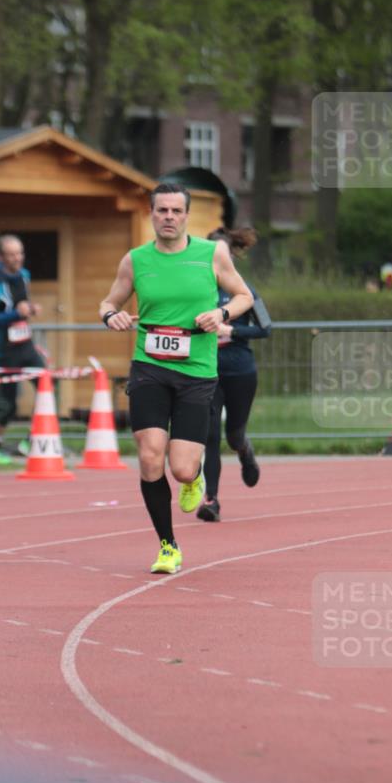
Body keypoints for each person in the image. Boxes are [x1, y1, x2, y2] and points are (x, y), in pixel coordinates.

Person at [99, 182, 253, 574]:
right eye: (162, 210)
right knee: (150, 456)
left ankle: (193, 477)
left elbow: (244, 296)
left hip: (196, 372)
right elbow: (109, 301)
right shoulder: (135, 260)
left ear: (186, 215)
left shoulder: (211, 253)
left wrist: (221, 314)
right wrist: (111, 315)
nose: (168, 217)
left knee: (181, 468)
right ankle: (168, 545)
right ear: (152, 214)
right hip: (149, 367)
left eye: (176, 211)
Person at [196, 227, 271, 523]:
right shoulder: (197, 289)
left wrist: (232, 331)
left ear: (231, 256)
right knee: (210, 435)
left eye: (223, 253)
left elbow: (266, 328)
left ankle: (244, 451)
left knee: (233, 435)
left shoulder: (246, 290)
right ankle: (211, 500)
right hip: (207, 371)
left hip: (240, 371)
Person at [0, 234, 44, 465]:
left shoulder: (24, 275)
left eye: (20, 253)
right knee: (8, 404)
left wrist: (30, 309)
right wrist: (14, 314)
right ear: (0, 257)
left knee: (47, 386)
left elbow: (22, 304)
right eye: (11, 255)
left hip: (26, 345)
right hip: (4, 350)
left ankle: (30, 440)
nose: (17, 258)